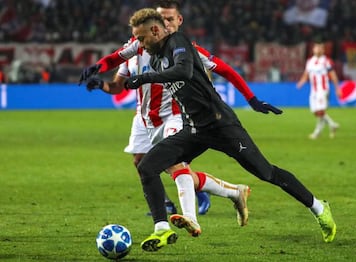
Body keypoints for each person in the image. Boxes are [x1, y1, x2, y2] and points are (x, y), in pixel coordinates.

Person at [114, 8, 335, 251]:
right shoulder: (155, 58)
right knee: (147, 166)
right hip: (194, 129)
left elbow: (185, 71)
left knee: (266, 172)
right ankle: (162, 229)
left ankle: (319, 207)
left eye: (142, 38)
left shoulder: (179, 42)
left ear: (155, 31)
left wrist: (145, 78)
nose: (140, 44)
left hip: (222, 125)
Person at [79, 0, 253, 237]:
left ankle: (188, 218)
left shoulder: (184, 49)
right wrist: (99, 78)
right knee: (142, 163)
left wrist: (251, 98)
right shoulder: (136, 46)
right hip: (144, 118)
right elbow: (117, 83)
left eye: (170, 19)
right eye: (162, 19)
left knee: (174, 165)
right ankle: (233, 192)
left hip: (174, 115)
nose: (165, 24)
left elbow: (223, 70)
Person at [297, 41, 341, 139]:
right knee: (315, 112)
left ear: (323, 50)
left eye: (320, 48)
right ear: (313, 49)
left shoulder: (327, 61)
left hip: (323, 89)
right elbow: (306, 74)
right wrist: (301, 82)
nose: (318, 49)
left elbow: (333, 75)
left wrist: (337, 89)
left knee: (320, 111)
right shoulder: (310, 61)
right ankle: (332, 124)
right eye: (316, 48)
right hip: (314, 91)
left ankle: (317, 133)